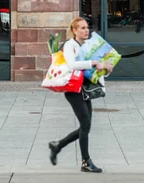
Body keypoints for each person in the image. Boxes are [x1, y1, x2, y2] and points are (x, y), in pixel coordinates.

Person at [48, 17, 113, 173]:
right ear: (74, 31)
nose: (86, 30)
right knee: (85, 125)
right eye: (82, 28)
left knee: (86, 126)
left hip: (84, 89)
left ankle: (58, 145)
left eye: (87, 27)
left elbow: (91, 71)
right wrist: (94, 63)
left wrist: (106, 69)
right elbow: (72, 65)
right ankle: (85, 162)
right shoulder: (70, 45)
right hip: (73, 90)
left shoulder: (87, 46)